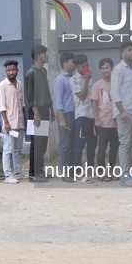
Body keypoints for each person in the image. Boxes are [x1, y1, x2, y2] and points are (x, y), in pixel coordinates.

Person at [111, 42, 132, 187]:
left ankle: (127, 171)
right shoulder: (118, 69)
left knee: (130, 144)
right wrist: (122, 111)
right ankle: (124, 175)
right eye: (129, 50)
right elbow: (114, 92)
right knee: (125, 143)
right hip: (124, 112)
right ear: (122, 53)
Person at [24, 45, 53, 182]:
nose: (46, 56)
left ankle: (40, 170)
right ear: (39, 55)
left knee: (43, 143)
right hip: (35, 111)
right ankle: (33, 173)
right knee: (37, 143)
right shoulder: (31, 73)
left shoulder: (44, 72)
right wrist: (36, 113)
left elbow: (46, 92)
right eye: (45, 53)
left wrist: (51, 109)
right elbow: (30, 96)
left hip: (45, 109)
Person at [0, 60, 26, 184]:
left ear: (17, 70)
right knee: (8, 148)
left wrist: (24, 120)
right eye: (9, 70)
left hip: (19, 122)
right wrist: (6, 122)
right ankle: (7, 174)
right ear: (6, 71)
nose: (11, 72)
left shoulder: (19, 84)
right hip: (9, 123)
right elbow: (1, 106)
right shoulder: (2, 85)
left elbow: (22, 104)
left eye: (13, 69)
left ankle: (18, 171)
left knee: (17, 149)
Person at [69, 54, 97, 183]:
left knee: (92, 145)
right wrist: (86, 80)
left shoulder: (90, 77)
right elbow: (82, 96)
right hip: (82, 115)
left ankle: (90, 171)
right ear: (76, 67)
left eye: (87, 65)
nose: (86, 68)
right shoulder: (74, 79)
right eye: (83, 66)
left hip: (93, 115)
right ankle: (78, 173)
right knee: (79, 146)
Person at [91, 58, 119, 182]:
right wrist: (96, 119)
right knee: (101, 149)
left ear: (112, 68)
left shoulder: (117, 83)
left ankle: (111, 171)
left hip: (116, 123)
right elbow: (94, 103)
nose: (105, 70)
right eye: (103, 68)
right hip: (102, 123)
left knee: (114, 148)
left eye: (107, 67)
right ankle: (101, 172)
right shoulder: (97, 85)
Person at [53, 52, 76, 182]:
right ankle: (65, 172)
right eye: (72, 61)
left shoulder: (72, 78)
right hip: (65, 115)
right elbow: (58, 102)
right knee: (65, 144)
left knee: (72, 143)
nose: (74, 64)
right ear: (65, 63)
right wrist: (61, 118)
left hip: (74, 114)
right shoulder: (60, 80)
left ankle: (71, 171)